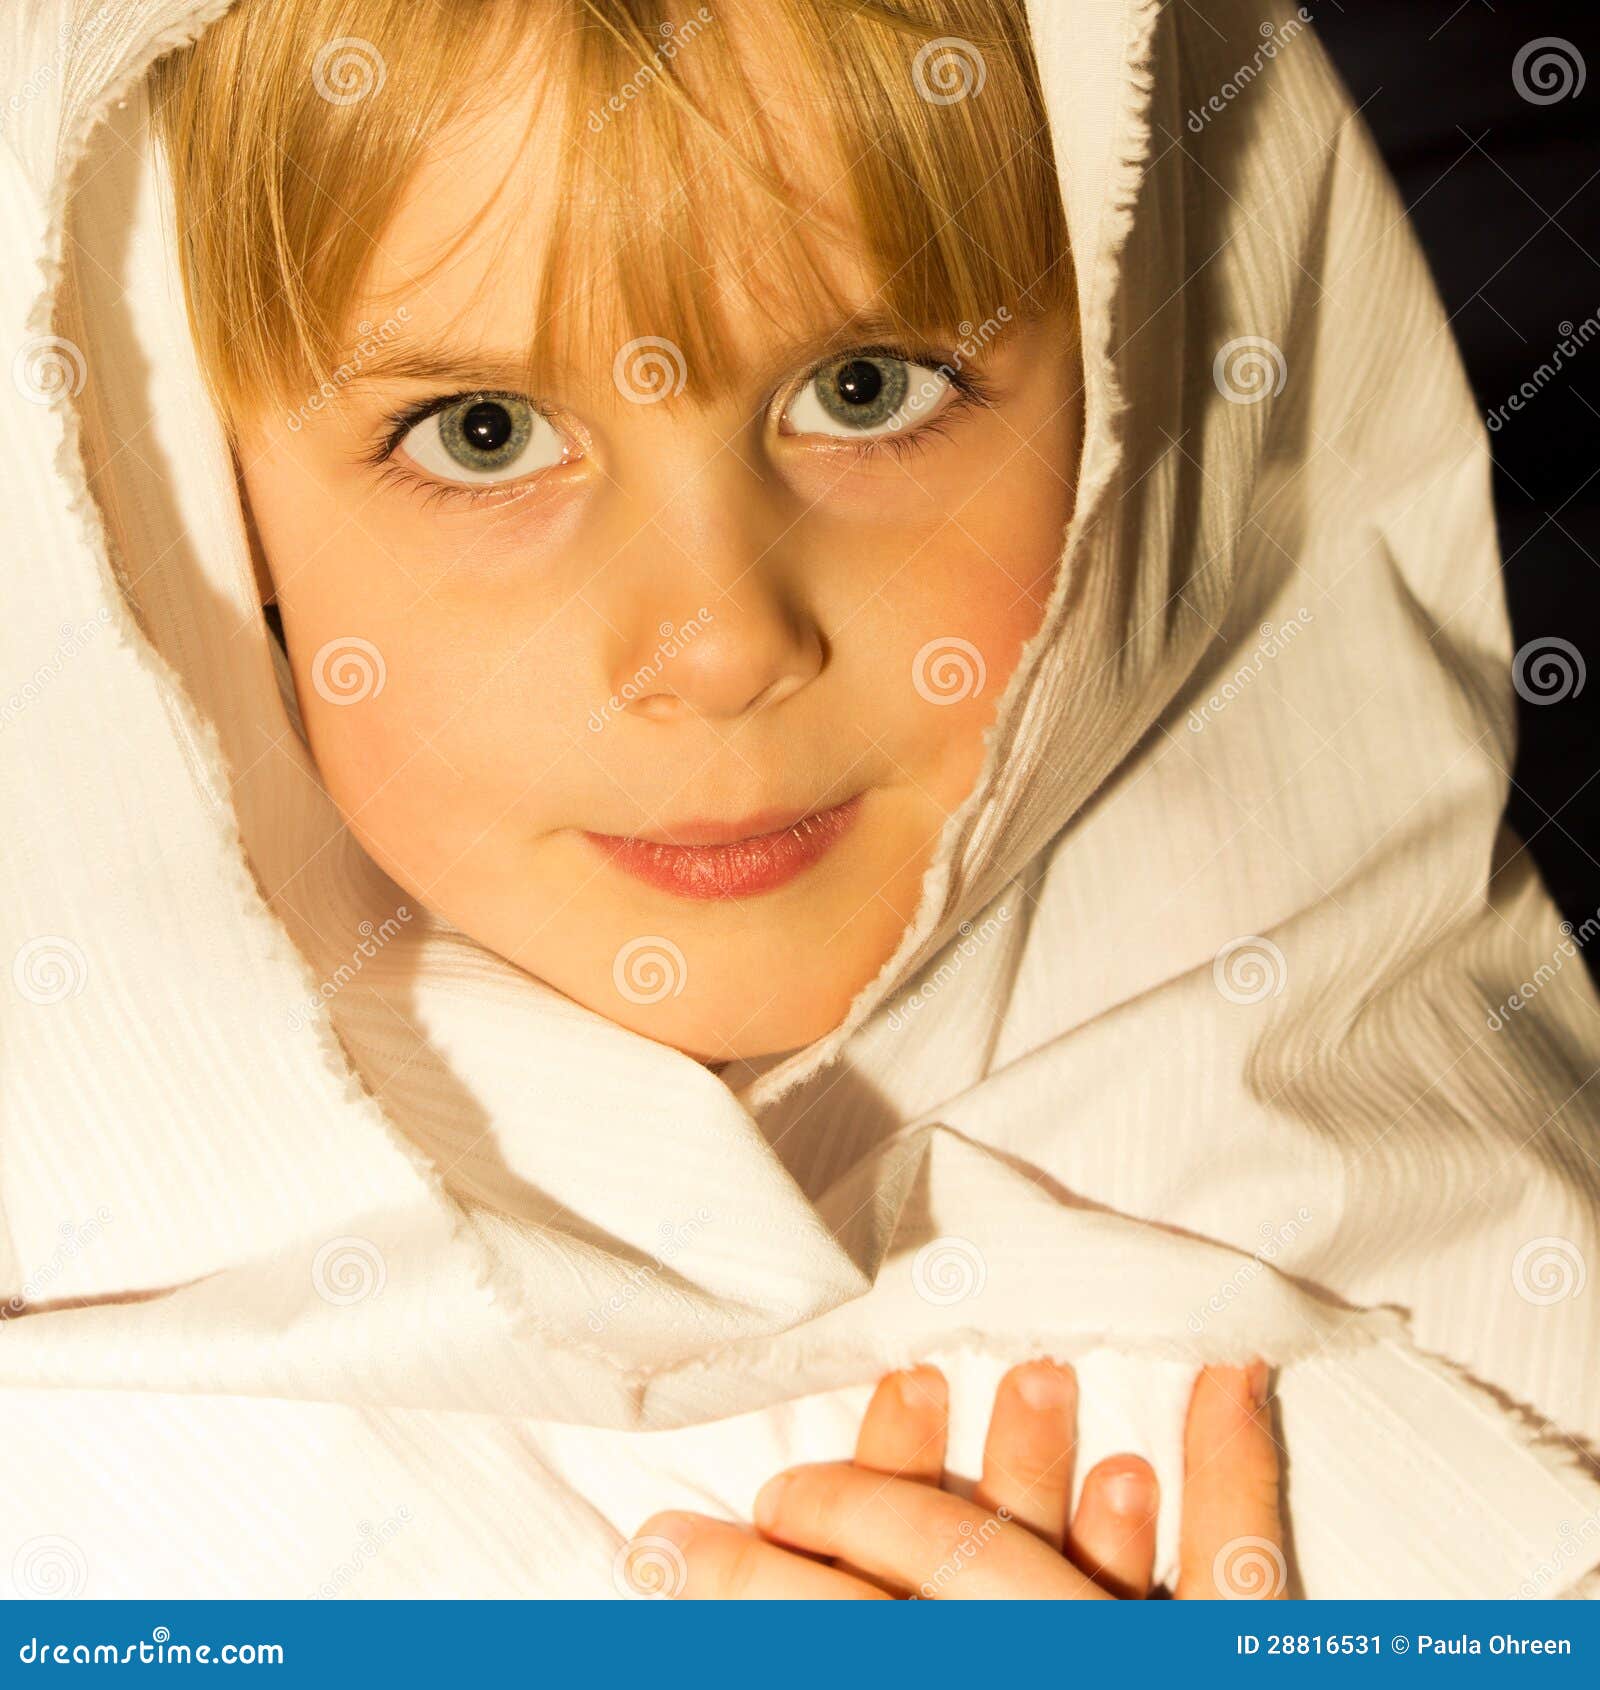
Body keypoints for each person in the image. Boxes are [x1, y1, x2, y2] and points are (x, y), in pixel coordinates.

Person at [1, 0, 1595, 1599]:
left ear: (1152, 384)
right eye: (482, 433)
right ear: (171, 495)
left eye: (866, 388)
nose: (719, 643)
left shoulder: (1500, 1306)